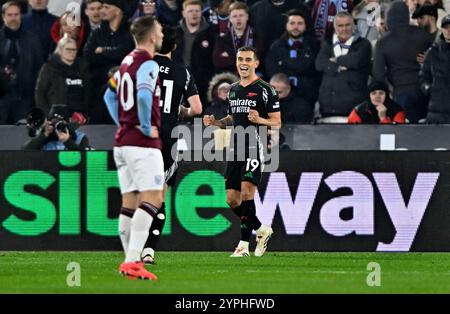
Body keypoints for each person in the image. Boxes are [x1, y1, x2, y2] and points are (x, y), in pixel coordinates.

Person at [203, 46, 281, 257]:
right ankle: (262, 230)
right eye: (240, 59)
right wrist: (216, 122)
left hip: (255, 145)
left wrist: (259, 120)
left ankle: (243, 246)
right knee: (232, 200)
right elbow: (231, 118)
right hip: (235, 147)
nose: (243, 63)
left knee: (247, 193)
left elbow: (277, 121)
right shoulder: (234, 89)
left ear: (256, 63)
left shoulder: (266, 89)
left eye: (248, 59)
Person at [103, 15, 164, 280]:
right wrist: (143, 124)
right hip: (142, 143)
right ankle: (132, 261)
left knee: (130, 202)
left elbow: (108, 95)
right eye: (160, 31)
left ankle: (130, 261)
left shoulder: (126, 62)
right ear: (151, 36)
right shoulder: (147, 64)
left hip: (122, 142)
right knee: (153, 198)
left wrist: (124, 122)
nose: (161, 35)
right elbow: (142, 94)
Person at [141, 25, 202, 265]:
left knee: (138, 195)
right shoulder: (182, 73)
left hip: (142, 136)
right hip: (168, 138)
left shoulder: (142, 67)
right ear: (175, 46)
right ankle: (148, 250)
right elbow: (197, 109)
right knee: (160, 196)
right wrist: (181, 111)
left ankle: (134, 246)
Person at [84, 0, 135, 124]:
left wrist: (103, 51)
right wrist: (114, 57)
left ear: (118, 11)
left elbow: (128, 54)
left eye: (106, 7)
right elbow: (89, 56)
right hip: (98, 89)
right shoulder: (97, 32)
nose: (102, 11)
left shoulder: (131, 31)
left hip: (126, 91)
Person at [315, 11, 372, 122]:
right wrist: (337, 67)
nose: (344, 29)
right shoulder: (327, 44)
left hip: (354, 108)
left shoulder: (363, 44)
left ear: (353, 25)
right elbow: (319, 64)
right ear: (335, 27)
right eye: (340, 25)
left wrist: (336, 60)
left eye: (347, 25)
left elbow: (356, 60)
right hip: (328, 107)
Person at [0, 1, 44, 124]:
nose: (13, 18)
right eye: (10, 15)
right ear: (3, 17)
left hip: (25, 100)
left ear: (21, 16)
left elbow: (39, 70)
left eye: (16, 14)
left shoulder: (33, 40)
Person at [35, 36, 91, 121]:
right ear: (60, 50)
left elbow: (88, 93)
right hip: (55, 117)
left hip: (79, 117)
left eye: (74, 50)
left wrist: (85, 113)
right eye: (68, 49)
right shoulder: (49, 67)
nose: (71, 52)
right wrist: (47, 115)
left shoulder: (83, 67)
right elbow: (40, 93)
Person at [419, 15, 450, 123]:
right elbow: (423, 77)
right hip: (437, 110)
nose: (449, 30)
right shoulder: (432, 52)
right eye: (446, 27)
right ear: (442, 29)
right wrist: (429, 89)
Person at [23, 106, 90, 150]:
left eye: (59, 124)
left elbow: (86, 161)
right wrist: (42, 136)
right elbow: (22, 154)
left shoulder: (80, 138)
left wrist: (67, 140)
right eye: (53, 123)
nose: (56, 127)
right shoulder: (44, 139)